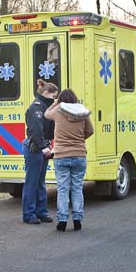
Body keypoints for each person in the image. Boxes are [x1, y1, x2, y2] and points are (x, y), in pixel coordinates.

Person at [45, 89, 94, 231]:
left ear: (60, 100)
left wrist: (55, 103)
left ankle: (62, 220)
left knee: (62, 188)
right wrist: (79, 140)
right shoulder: (83, 111)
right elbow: (90, 130)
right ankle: (77, 219)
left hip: (61, 155)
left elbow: (46, 114)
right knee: (77, 188)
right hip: (79, 155)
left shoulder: (58, 110)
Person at [22, 79, 59, 224]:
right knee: (32, 182)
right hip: (35, 148)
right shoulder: (36, 108)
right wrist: (44, 147)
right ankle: (29, 214)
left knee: (40, 182)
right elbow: (36, 130)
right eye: (53, 96)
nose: (55, 99)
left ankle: (41, 211)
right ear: (45, 93)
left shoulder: (46, 108)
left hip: (43, 147)